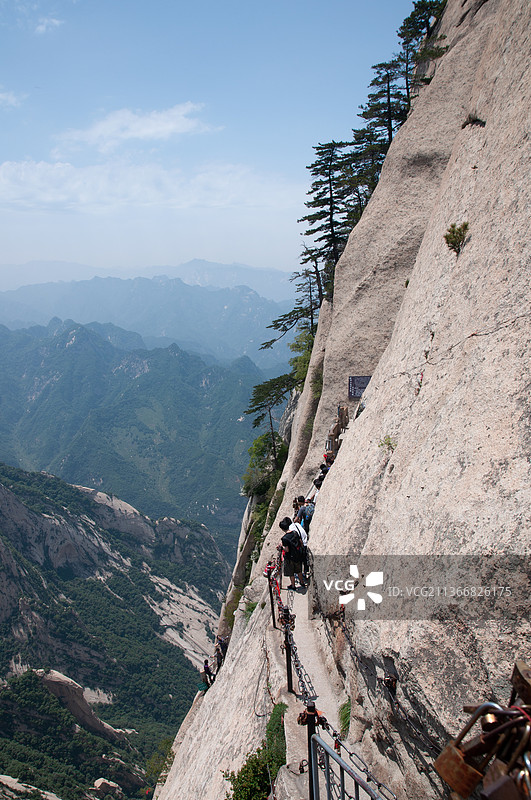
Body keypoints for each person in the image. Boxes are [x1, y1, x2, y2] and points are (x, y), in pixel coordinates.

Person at [279, 516, 306, 590]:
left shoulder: (284, 538)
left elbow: (286, 550)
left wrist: (282, 547)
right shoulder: (295, 533)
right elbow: (300, 542)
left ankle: (293, 586)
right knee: (299, 570)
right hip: (297, 555)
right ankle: (302, 583)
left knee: (291, 573)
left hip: (290, 557)